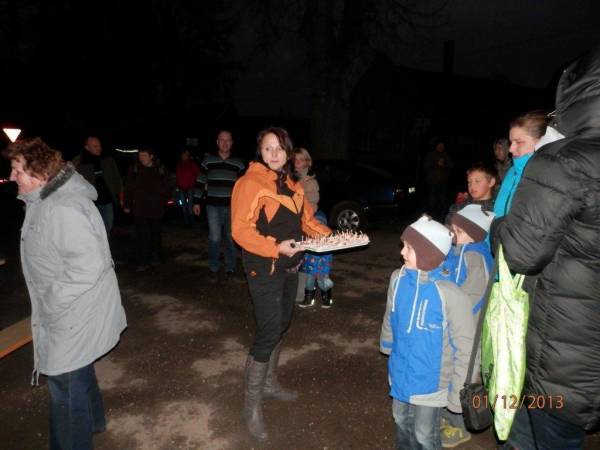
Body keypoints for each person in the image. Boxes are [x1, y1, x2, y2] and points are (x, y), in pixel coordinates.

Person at [494, 44, 600, 450]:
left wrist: (497, 226)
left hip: (565, 357)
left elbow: (521, 252)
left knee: (549, 433)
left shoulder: (563, 162)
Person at [6, 138, 127, 450]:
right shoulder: (44, 200)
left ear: (41, 174)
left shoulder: (62, 207)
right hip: (71, 311)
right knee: (77, 369)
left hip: (72, 313)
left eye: (18, 170)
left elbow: (88, 265)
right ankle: (94, 421)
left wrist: (51, 299)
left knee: (65, 387)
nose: (12, 176)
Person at [231, 127, 331, 441]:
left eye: (279, 148)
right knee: (268, 331)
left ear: (288, 152)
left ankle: (270, 384)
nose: (274, 154)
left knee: (282, 324)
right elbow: (240, 230)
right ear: (260, 151)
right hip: (264, 266)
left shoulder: (292, 184)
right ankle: (251, 406)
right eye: (268, 148)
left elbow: (308, 222)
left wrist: (335, 238)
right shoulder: (250, 183)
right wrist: (275, 248)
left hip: (290, 265)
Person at [380, 215, 475, 450]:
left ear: (428, 253)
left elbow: (466, 347)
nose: (402, 252)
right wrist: (387, 345)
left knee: (424, 434)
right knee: (400, 419)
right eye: (403, 245)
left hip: (432, 382)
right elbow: (390, 315)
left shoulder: (450, 294)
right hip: (401, 371)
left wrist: (458, 392)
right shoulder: (398, 279)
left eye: (409, 248)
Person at [440, 204, 495, 448]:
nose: (454, 234)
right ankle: (449, 417)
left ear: (474, 235)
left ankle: (460, 425)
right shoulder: (461, 250)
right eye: (453, 229)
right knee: (452, 370)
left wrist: (447, 314)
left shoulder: (474, 257)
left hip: (468, 330)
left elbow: (470, 298)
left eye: (459, 231)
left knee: (464, 377)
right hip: (459, 327)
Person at [193, 130, 245, 282]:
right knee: (215, 237)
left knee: (231, 238)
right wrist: (196, 201)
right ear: (217, 142)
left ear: (232, 143)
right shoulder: (208, 161)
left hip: (232, 207)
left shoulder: (238, 163)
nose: (225, 143)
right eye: (222, 140)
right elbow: (200, 181)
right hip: (213, 206)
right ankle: (213, 267)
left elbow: (245, 187)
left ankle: (230, 268)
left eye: (228, 140)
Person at [493, 111, 548, 219]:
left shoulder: (546, 178)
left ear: (541, 142)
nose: (511, 149)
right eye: (511, 142)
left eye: (519, 142)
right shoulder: (511, 171)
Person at [123, 148, 170, 271]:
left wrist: (164, 200)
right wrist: (127, 204)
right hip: (140, 208)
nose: (141, 158)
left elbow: (168, 186)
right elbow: (128, 187)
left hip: (156, 208)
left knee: (156, 234)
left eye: (144, 155)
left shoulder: (160, 169)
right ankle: (142, 261)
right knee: (141, 236)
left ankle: (155, 256)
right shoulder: (135, 169)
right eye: (140, 155)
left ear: (151, 156)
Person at [73, 136, 123, 234]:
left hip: (107, 200)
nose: (99, 148)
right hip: (90, 203)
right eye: (95, 146)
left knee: (107, 226)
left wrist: (121, 195)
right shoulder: (79, 162)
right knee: (94, 229)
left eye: (99, 145)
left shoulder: (107, 159)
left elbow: (117, 178)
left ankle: (105, 242)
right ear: (87, 147)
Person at [293, 147, 321, 304]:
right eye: (295, 159)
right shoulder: (291, 180)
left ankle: (301, 294)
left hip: (305, 226)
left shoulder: (310, 183)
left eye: (300, 159)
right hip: (292, 225)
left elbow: (313, 206)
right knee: (293, 259)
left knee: (304, 260)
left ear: (307, 162)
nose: (297, 162)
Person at [298, 211, 334, 308]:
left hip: (322, 267)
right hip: (310, 266)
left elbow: (329, 255)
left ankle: (327, 299)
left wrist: (326, 266)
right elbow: (306, 252)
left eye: (321, 223)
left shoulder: (327, 237)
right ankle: (308, 300)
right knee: (309, 283)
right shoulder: (309, 235)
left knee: (323, 283)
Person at [423, 140, 453, 221]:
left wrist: (444, 165)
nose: (441, 147)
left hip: (443, 181)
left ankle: (443, 215)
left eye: (442, 146)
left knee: (443, 199)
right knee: (432, 199)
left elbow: (451, 166)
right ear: (436, 146)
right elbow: (425, 166)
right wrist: (436, 163)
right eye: (439, 146)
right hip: (432, 181)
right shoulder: (430, 155)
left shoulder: (446, 155)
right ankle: (431, 214)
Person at [175, 149, 199, 228]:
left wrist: (194, 184)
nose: (184, 156)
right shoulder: (179, 165)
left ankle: (192, 222)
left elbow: (197, 175)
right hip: (182, 188)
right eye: (182, 155)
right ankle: (186, 223)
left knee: (190, 206)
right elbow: (178, 176)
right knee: (184, 206)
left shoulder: (192, 165)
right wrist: (178, 186)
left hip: (190, 188)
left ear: (188, 156)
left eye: (185, 155)